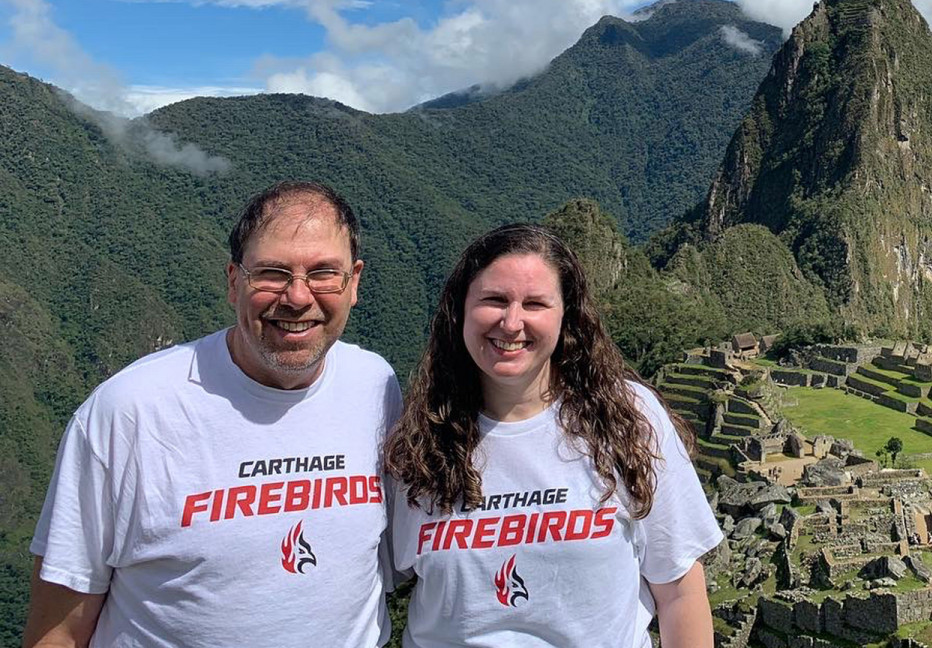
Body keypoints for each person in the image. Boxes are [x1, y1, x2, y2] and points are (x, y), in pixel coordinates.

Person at [24, 181, 401, 648]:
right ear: (232, 281)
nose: (298, 297)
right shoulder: (129, 412)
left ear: (354, 282)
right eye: (272, 273)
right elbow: (57, 631)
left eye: (324, 273)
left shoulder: (376, 386)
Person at [385, 224, 720, 648]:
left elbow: (680, 591)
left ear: (566, 316)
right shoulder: (419, 440)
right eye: (494, 300)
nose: (511, 322)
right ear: (460, 311)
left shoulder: (627, 418)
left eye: (535, 304)